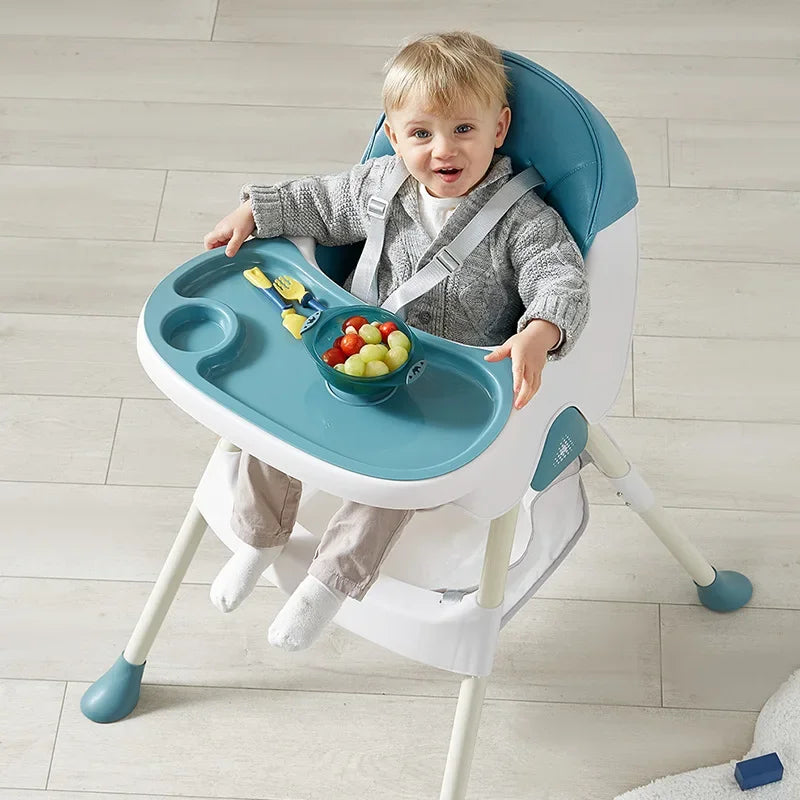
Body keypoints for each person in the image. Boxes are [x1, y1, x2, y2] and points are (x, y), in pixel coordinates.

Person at [202, 31, 589, 651]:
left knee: (390, 485)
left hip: (442, 382)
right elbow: (318, 202)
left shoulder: (524, 218)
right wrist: (255, 211)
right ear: (392, 132)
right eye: (421, 133)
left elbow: (559, 274)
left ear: (500, 127)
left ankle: (330, 581)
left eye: (464, 128)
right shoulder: (380, 184)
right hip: (352, 347)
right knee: (270, 428)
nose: (443, 150)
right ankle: (260, 536)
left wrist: (539, 331)